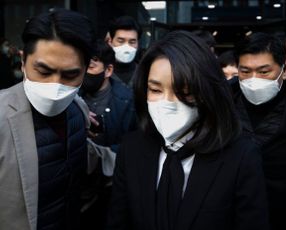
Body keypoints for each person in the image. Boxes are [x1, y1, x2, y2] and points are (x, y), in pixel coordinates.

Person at [107, 30, 269, 230]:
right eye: (155, 90)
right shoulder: (132, 149)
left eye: (184, 92)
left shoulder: (241, 156)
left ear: (207, 92)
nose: (167, 102)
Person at [0, 9, 95, 230]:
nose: (55, 86)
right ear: (23, 61)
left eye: (70, 75)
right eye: (43, 71)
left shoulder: (78, 109)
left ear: (85, 70)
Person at [231, 32, 286, 230]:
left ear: (285, 70)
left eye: (264, 72)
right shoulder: (222, 104)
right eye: (245, 71)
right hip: (234, 214)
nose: (254, 80)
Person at [79, 40, 137, 229]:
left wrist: (103, 154)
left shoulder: (129, 101)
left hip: (112, 188)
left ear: (109, 70)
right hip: (79, 190)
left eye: (92, 64)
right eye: (82, 64)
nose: (85, 70)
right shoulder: (72, 99)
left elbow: (136, 143)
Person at [106, 15, 142, 88]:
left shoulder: (146, 73)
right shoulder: (101, 74)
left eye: (132, 42)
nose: (126, 47)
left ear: (138, 43)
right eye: (121, 41)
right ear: (110, 41)